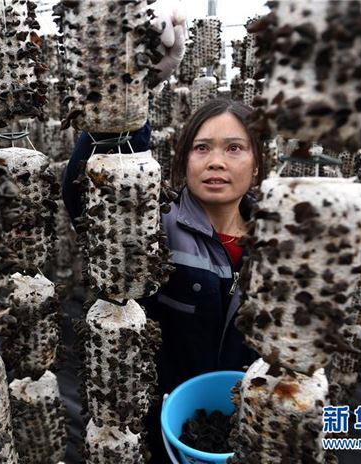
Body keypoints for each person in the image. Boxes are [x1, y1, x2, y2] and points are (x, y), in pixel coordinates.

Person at [62, 98, 265, 462]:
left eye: (234, 148)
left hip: (244, 425)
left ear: (257, 163)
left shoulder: (277, 243)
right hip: (163, 423)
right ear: (184, 160)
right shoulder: (156, 225)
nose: (216, 161)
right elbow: (86, 197)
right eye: (201, 148)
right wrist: (129, 95)